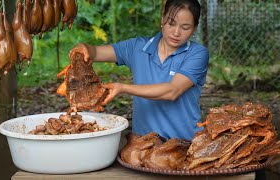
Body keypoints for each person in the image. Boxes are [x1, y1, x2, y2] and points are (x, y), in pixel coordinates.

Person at [69, 0, 209, 140]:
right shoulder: (137, 47)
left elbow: (172, 91)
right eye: (171, 23)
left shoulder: (197, 54)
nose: (176, 32)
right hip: (142, 143)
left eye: (185, 27)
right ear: (162, 17)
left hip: (184, 142)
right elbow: (95, 52)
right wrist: (83, 48)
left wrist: (123, 87)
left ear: (194, 28)